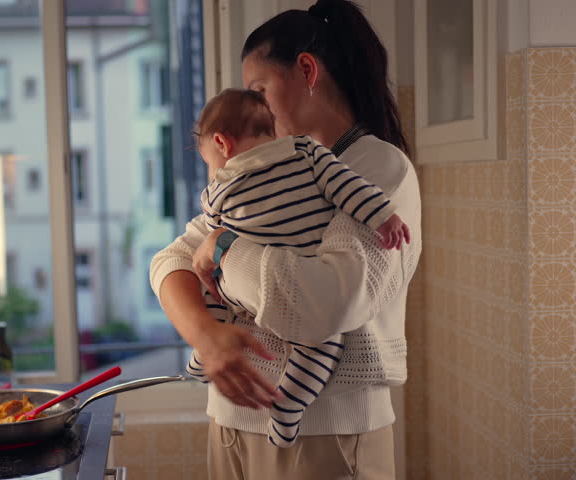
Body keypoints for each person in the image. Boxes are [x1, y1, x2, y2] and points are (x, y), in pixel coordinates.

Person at [150, 0, 421, 478]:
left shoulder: (378, 168)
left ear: (307, 71)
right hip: (229, 424)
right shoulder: (264, 171)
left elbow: (322, 306)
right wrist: (207, 337)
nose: (253, 107)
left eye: (259, 90)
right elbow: (170, 262)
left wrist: (225, 247)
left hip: (327, 436)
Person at [184, 87, 410, 447]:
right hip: (295, 268)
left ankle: (204, 349)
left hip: (245, 292)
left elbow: (209, 240)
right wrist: (383, 216)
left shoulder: (217, 190)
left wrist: (219, 247)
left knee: (212, 292)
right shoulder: (306, 152)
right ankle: (288, 405)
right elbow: (348, 188)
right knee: (321, 349)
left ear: (222, 143)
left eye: (209, 162)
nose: (213, 172)